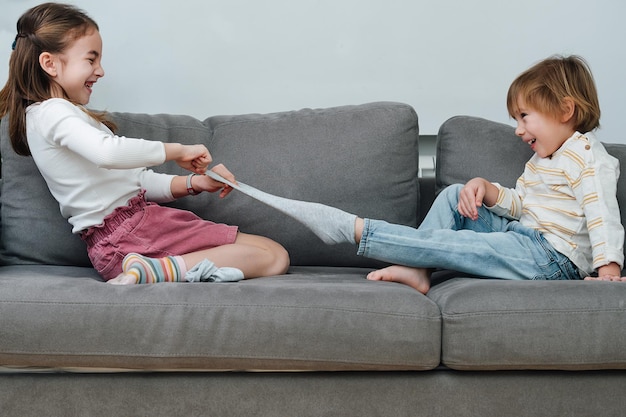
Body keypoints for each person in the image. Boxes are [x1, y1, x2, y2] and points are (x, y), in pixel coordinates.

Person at [202, 55, 626, 293]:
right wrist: (488, 191)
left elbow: (603, 215)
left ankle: (358, 231)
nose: (517, 129)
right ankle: (418, 268)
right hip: (525, 240)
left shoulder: (590, 159)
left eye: (524, 117)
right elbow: (523, 205)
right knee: (456, 192)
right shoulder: (542, 162)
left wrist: (607, 270)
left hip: (554, 260)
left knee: (473, 248)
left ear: (566, 110)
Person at [0, 2, 289, 285]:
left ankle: (156, 270)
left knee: (270, 254)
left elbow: (134, 181)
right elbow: (107, 153)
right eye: (91, 59)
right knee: (273, 256)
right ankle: (157, 270)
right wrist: (178, 150)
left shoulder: (58, 117)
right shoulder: (51, 112)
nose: (100, 71)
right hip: (130, 232)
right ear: (50, 63)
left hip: (122, 240)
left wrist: (194, 183)